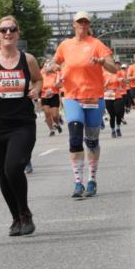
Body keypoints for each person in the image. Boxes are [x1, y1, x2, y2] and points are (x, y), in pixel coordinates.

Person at [0, 16, 42, 234]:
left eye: (12, 29)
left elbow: (38, 79)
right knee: (2, 173)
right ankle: (15, 218)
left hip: (22, 123)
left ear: (18, 33)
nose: (8, 33)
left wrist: (37, 89)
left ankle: (25, 213)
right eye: (3, 30)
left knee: (13, 168)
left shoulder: (28, 59)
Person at [46, 11, 116, 199]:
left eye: (86, 22)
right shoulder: (65, 45)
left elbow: (113, 68)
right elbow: (52, 64)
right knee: (75, 137)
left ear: (89, 25)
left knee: (92, 141)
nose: (83, 25)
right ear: (73, 24)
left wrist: (102, 61)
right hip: (72, 97)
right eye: (80, 22)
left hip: (94, 97)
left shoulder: (97, 44)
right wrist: (52, 67)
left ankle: (92, 179)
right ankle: (78, 183)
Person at [40, 61, 62, 136]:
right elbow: (38, 81)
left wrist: (58, 85)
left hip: (54, 95)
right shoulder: (42, 73)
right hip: (44, 96)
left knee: (55, 115)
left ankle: (57, 124)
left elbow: (60, 85)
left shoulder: (56, 74)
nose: (47, 68)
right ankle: (51, 129)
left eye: (49, 66)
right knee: (47, 113)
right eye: (45, 66)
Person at [103, 65, 124, 138]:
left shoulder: (117, 73)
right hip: (108, 95)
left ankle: (118, 127)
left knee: (118, 112)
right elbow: (100, 87)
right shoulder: (103, 74)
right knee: (112, 115)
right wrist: (106, 83)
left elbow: (123, 83)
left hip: (117, 94)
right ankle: (113, 130)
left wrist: (122, 81)